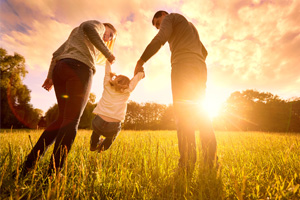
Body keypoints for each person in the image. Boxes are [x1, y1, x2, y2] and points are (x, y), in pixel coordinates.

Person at [16, 20, 117, 177]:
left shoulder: (77, 36)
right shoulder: (97, 25)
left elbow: (56, 54)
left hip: (61, 69)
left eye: (111, 38)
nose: (108, 37)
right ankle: (54, 173)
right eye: (110, 33)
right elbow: (89, 26)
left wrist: (50, 76)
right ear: (105, 27)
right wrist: (108, 53)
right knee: (71, 121)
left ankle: (28, 166)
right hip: (80, 69)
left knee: (61, 119)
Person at [134, 11, 217, 170]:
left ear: (164, 15)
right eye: (157, 26)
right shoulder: (190, 26)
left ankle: (186, 165)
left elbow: (160, 38)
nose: (159, 27)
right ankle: (211, 163)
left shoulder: (171, 18)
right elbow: (204, 51)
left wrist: (141, 60)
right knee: (202, 114)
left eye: (158, 23)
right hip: (200, 67)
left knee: (184, 114)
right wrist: (195, 59)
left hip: (183, 66)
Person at [90, 61, 144, 152]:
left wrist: (108, 61)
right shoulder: (127, 91)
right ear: (127, 84)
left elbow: (107, 72)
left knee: (96, 131)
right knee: (112, 135)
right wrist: (141, 73)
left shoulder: (107, 85)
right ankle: (103, 148)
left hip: (98, 122)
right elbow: (135, 80)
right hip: (113, 126)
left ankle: (93, 145)